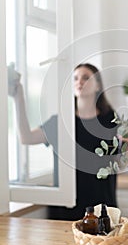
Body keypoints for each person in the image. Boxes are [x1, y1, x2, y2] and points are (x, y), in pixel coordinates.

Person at [9, 63, 118, 220]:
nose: (79, 81)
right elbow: (26, 137)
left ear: (98, 85)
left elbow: (120, 157)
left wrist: (126, 145)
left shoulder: (111, 119)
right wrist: (18, 97)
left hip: (102, 204)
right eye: (75, 78)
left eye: (86, 77)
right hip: (67, 205)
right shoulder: (62, 122)